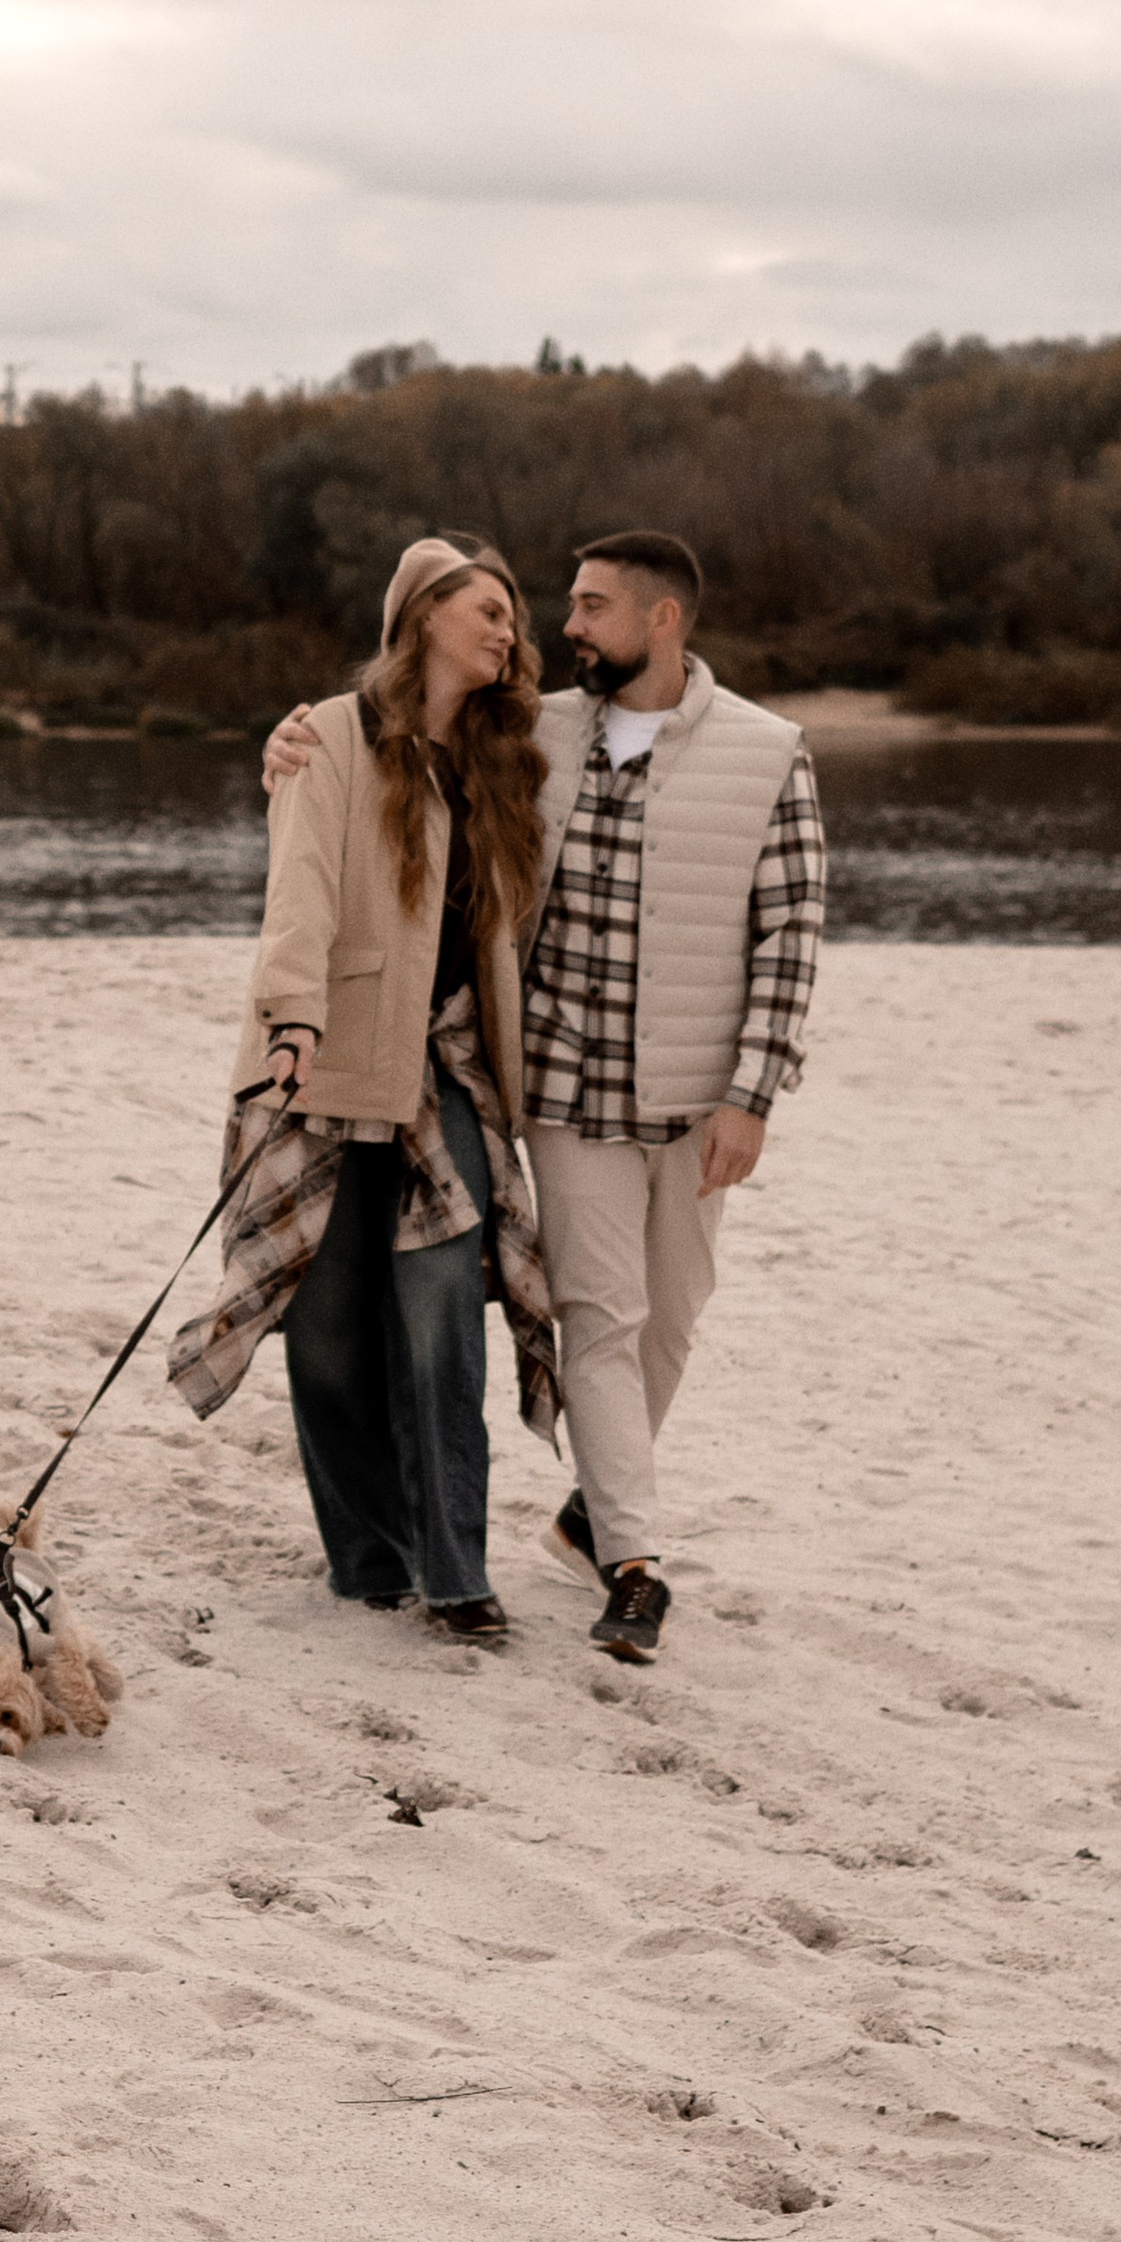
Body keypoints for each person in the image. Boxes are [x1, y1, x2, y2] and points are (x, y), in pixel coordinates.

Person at [262, 528, 825, 1669]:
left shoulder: (735, 750)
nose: (552, 627)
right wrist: (284, 748)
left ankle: (528, 1541)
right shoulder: (489, 731)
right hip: (470, 1080)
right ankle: (539, 1565)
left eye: (584, 606)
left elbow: (790, 936)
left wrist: (753, 1092)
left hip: (591, 1087)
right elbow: (337, 816)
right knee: (514, 1329)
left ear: (661, 620)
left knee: (620, 1321)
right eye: (535, 607)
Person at [169, 536, 560, 1642]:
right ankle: (369, 1559)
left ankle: (456, 1571)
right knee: (330, 1332)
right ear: (423, 613)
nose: (507, 631)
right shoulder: (331, 736)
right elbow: (298, 891)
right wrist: (288, 1020)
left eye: (515, 618)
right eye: (486, 609)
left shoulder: (504, 754)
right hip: (330, 1061)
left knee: (445, 1327)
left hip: (452, 1083)